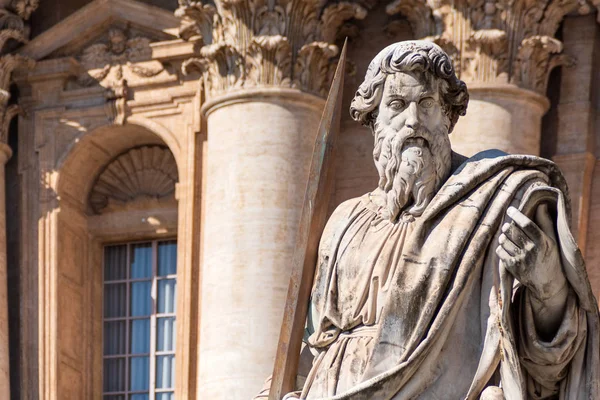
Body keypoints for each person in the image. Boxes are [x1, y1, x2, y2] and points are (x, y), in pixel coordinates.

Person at [276, 41, 599, 400]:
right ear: (373, 120)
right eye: (396, 106)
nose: (413, 120)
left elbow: (548, 362)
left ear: (447, 116)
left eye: (426, 104)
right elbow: (313, 341)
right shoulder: (345, 221)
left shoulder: (490, 202)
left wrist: (547, 281)